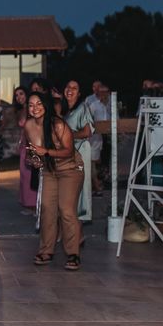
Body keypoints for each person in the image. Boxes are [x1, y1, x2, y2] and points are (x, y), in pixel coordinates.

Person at [26, 91, 84, 270]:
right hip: (49, 170)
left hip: (70, 169)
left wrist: (47, 152)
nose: (34, 108)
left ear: (46, 105)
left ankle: (73, 253)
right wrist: (34, 160)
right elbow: (34, 152)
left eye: (38, 104)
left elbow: (68, 150)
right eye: (31, 105)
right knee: (47, 209)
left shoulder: (58, 124)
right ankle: (46, 250)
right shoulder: (28, 125)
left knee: (66, 210)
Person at [61, 80, 95, 225]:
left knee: (81, 185)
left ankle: (80, 224)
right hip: (67, 152)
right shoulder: (63, 110)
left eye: (74, 88)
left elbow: (87, 132)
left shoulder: (82, 107)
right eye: (68, 87)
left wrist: (67, 136)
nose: (70, 90)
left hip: (80, 151)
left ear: (79, 93)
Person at [12, 86, 37, 214]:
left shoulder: (31, 109)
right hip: (23, 143)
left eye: (21, 94)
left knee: (29, 175)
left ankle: (34, 205)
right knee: (23, 175)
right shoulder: (21, 110)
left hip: (31, 143)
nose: (19, 97)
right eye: (16, 95)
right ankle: (27, 203)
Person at [88, 84, 111, 195]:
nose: (104, 94)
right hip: (95, 137)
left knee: (102, 161)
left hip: (107, 136)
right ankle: (96, 186)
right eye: (101, 92)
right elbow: (88, 119)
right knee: (92, 161)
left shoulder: (111, 104)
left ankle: (99, 183)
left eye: (106, 92)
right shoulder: (93, 105)